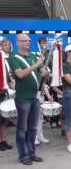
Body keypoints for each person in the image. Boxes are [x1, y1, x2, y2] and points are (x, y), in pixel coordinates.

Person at [11, 33, 47, 165]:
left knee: (33, 128)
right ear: (18, 42)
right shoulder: (14, 58)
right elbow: (20, 74)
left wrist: (44, 73)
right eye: (25, 40)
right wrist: (37, 65)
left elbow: (37, 75)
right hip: (23, 98)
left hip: (35, 97)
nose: (28, 42)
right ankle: (23, 155)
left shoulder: (32, 56)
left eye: (29, 40)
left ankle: (31, 153)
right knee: (22, 128)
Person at [0, 37, 14, 151]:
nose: (8, 46)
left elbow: (8, 76)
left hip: (5, 91)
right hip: (1, 91)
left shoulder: (6, 58)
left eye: (8, 44)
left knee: (5, 119)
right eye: (6, 44)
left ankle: (3, 141)